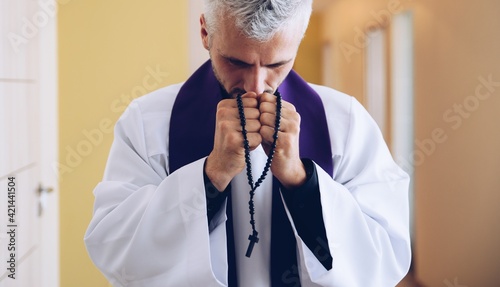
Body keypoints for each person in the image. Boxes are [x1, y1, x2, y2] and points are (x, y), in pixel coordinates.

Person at [84, 0, 411, 286]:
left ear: (298, 41)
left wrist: (301, 182)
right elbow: (114, 247)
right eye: (236, 62)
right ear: (205, 33)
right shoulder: (147, 122)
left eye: (276, 65)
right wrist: (210, 177)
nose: (255, 87)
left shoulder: (347, 121)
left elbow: (385, 256)